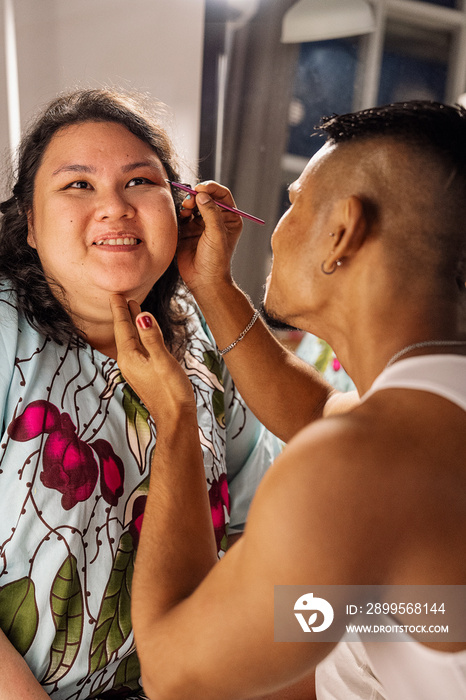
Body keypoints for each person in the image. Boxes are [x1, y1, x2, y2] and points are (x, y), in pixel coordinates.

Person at [111, 100, 466, 699]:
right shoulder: (430, 412)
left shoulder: (358, 465)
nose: (275, 226)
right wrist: (212, 289)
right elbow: (318, 411)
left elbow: (173, 675)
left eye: (295, 201)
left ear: (342, 231)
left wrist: (175, 419)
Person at [0, 87, 305, 700]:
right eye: (78, 185)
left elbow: (254, 526)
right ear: (30, 225)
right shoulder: (7, 331)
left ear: (182, 210)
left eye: (141, 182)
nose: (114, 207)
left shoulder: (198, 338)